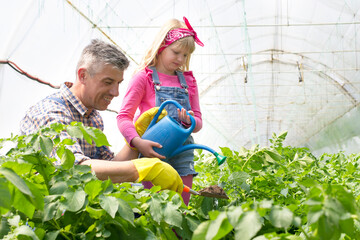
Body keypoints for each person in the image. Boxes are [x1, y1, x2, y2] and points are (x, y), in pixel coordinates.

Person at [19, 39, 183, 194]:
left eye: (118, 83)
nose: (116, 92)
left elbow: (110, 169)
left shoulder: (93, 117)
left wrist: (136, 137)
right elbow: (75, 169)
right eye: (107, 82)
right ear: (83, 75)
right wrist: (144, 168)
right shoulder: (50, 112)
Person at [117, 17, 204, 205]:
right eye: (176, 52)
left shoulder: (188, 81)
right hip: (150, 150)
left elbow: (198, 121)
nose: (181, 59)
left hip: (182, 151)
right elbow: (124, 117)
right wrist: (137, 142)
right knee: (151, 207)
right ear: (162, 46)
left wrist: (190, 122)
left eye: (186, 55)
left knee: (181, 207)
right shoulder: (143, 78)